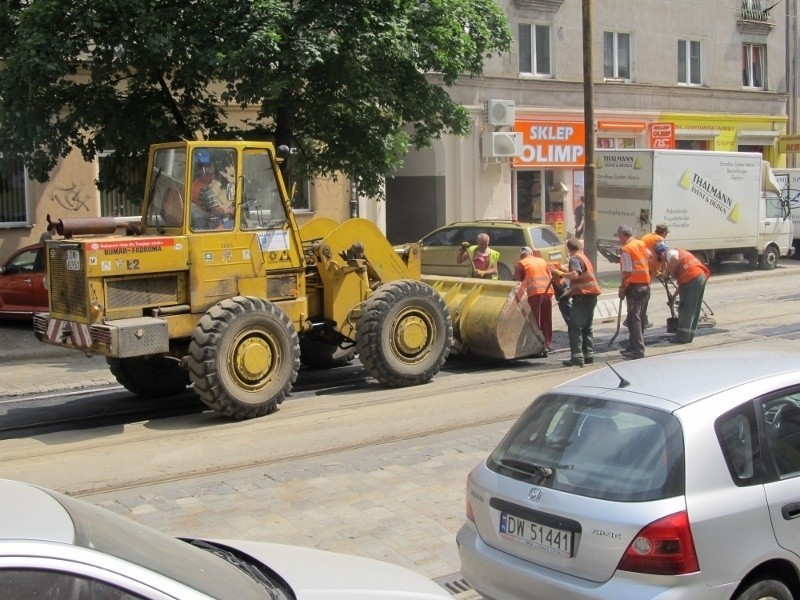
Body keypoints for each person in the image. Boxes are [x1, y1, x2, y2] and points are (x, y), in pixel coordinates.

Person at [553, 238, 602, 367]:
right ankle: (588, 356)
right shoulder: (584, 257)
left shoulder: (574, 258)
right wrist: (568, 293)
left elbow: (575, 274)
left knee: (575, 327)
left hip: (583, 297)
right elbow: (581, 278)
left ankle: (577, 358)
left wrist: (559, 273)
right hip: (591, 296)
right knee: (587, 327)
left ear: (568, 249)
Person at [655, 242, 710, 344]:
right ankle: (688, 336)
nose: (663, 261)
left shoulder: (670, 253)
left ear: (661, 254)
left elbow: (674, 259)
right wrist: (673, 297)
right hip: (699, 277)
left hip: (692, 277)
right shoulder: (679, 253)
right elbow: (682, 285)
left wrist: (666, 272)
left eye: (661, 259)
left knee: (685, 308)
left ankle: (682, 337)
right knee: (694, 307)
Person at [617, 224, 651, 359]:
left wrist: (622, 287)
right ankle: (633, 346)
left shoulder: (627, 249)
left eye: (619, 236)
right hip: (645, 285)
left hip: (634, 287)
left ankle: (637, 349)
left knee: (634, 317)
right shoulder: (641, 244)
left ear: (622, 235)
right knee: (639, 317)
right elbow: (650, 257)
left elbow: (627, 271)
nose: (619, 238)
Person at [513, 246, 554, 352]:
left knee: (534, 320)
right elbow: (550, 276)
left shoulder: (521, 263)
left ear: (521, 256)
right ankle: (547, 343)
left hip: (534, 293)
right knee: (546, 318)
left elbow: (516, 283)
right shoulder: (542, 261)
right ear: (531, 253)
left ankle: (536, 344)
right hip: (547, 291)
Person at [190, 159, 234, 229]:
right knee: (232, 224)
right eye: (211, 174)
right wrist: (229, 211)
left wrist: (225, 209)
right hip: (207, 223)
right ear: (204, 174)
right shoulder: (206, 190)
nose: (213, 177)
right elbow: (216, 211)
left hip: (199, 220)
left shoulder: (193, 185)